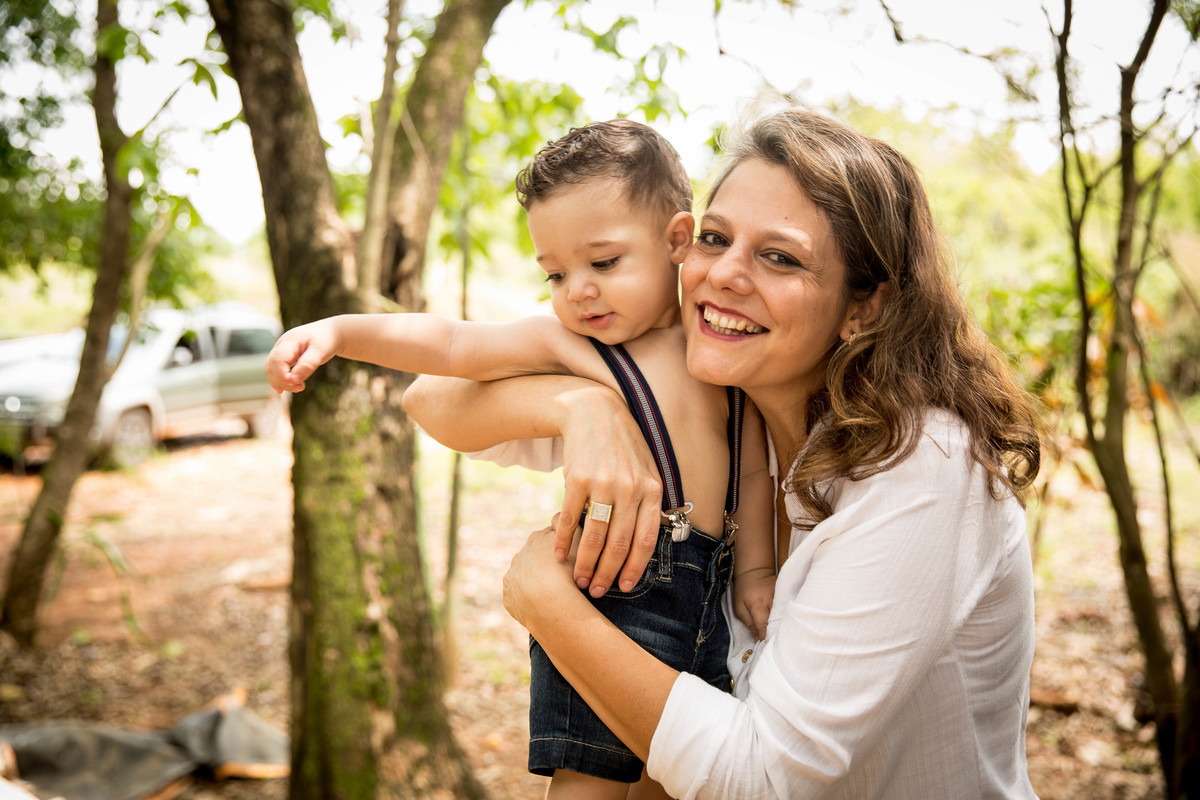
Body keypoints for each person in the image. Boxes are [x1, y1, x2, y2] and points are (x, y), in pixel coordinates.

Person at [403, 106, 1044, 798]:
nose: (724, 276)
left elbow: (763, 779)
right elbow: (431, 393)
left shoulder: (924, 465)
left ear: (866, 307)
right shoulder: (713, 401)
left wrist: (547, 605)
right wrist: (579, 406)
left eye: (780, 257)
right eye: (715, 239)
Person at [264, 119, 775, 799]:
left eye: (603, 262)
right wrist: (335, 332)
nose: (579, 290)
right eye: (557, 273)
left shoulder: (722, 354)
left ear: (677, 240)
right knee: (585, 784)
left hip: (710, 602)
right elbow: (448, 346)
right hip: (614, 591)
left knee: (676, 778)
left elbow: (752, 477)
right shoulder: (569, 341)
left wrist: (758, 570)